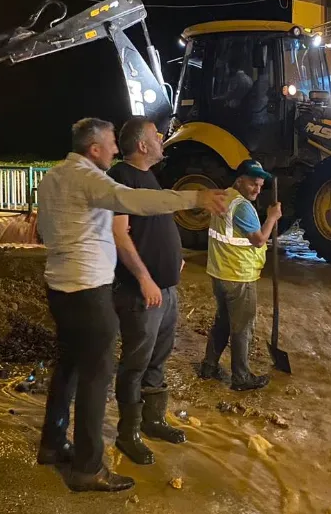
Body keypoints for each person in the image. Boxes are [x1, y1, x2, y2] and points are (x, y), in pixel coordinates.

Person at [35, 117, 228, 492]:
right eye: (109, 143)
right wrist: (195, 197)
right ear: (93, 149)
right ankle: (88, 468)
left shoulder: (54, 175)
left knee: (69, 368)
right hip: (88, 292)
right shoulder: (89, 178)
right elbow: (134, 202)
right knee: (96, 377)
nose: (113, 149)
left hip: (60, 287)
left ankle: (53, 443)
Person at [106, 117, 187, 465]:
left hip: (166, 291)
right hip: (143, 293)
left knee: (158, 358)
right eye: (156, 136)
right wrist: (144, 278)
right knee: (136, 362)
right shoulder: (121, 178)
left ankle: (153, 421)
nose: (162, 138)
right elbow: (119, 233)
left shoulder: (149, 178)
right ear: (141, 145)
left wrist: (176, 258)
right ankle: (129, 433)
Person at [198, 159, 282, 391]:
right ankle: (241, 377)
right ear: (240, 180)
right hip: (238, 276)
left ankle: (209, 366)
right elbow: (258, 240)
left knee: (223, 321)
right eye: (253, 184)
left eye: (261, 185)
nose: (257, 189)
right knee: (242, 327)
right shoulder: (243, 207)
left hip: (218, 272)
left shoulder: (224, 196)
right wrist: (272, 217)